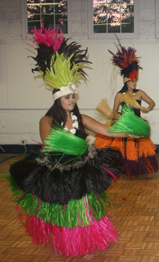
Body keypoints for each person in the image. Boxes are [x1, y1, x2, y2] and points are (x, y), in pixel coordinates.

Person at [8, 25, 138, 261]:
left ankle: (86, 242)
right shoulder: (46, 120)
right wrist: (70, 136)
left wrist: (129, 133)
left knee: (83, 208)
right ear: (58, 99)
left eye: (73, 96)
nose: (72, 100)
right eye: (68, 97)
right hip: (57, 171)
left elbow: (108, 130)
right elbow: (50, 144)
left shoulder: (83, 118)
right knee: (63, 210)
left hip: (81, 169)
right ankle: (66, 241)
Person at [94, 44, 158, 179]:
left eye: (135, 81)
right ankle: (124, 169)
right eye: (132, 81)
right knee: (124, 148)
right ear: (126, 82)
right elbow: (115, 111)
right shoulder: (119, 95)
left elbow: (152, 102)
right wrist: (116, 117)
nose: (134, 83)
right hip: (125, 124)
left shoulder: (139, 93)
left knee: (138, 148)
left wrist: (147, 108)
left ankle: (138, 169)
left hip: (137, 124)